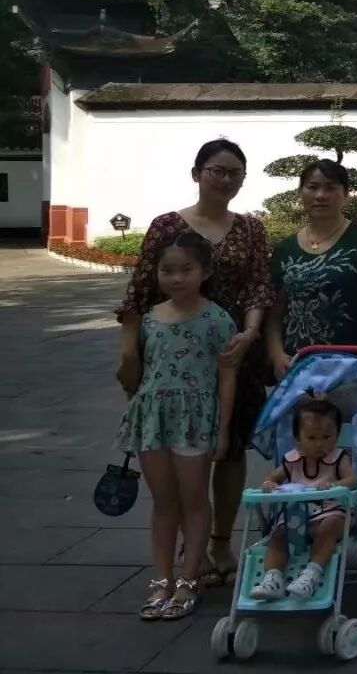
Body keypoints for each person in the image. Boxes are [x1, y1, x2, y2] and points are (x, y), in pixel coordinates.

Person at [116, 139, 274, 587]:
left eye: (234, 173)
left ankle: (220, 541)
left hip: (232, 353)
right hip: (176, 358)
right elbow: (139, 292)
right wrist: (129, 352)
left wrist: (249, 333)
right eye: (216, 170)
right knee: (179, 453)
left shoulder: (250, 229)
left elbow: (259, 287)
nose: (225, 179)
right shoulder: (166, 226)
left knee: (229, 449)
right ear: (197, 173)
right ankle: (191, 549)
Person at [265, 159, 357, 577]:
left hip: (352, 370)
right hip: (299, 370)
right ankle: (292, 540)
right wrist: (275, 352)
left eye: (330, 187)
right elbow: (274, 309)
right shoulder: (285, 250)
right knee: (298, 452)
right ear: (300, 192)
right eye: (312, 186)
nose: (320, 195)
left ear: (345, 193)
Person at [115, 231, 237, 620]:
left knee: (195, 500)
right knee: (164, 502)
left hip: (195, 420)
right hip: (153, 418)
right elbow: (137, 372)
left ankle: (189, 578)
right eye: (167, 270)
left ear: (205, 272)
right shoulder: (149, 319)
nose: (176, 277)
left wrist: (223, 430)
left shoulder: (218, 319)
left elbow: (227, 378)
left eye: (186, 269)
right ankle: (162, 579)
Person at [250, 398, 357, 601]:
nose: (320, 443)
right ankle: (273, 577)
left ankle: (312, 573)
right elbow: (272, 477)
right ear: (298, 438)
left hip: (330, 511)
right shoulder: (293, 460)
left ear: (337, 435)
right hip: (297, 516)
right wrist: (269, 484)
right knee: (278, 534)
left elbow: (352, 479)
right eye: (312, 437)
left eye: (327, 437)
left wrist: (336, 485)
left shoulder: (338, 458)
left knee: (330, 526)